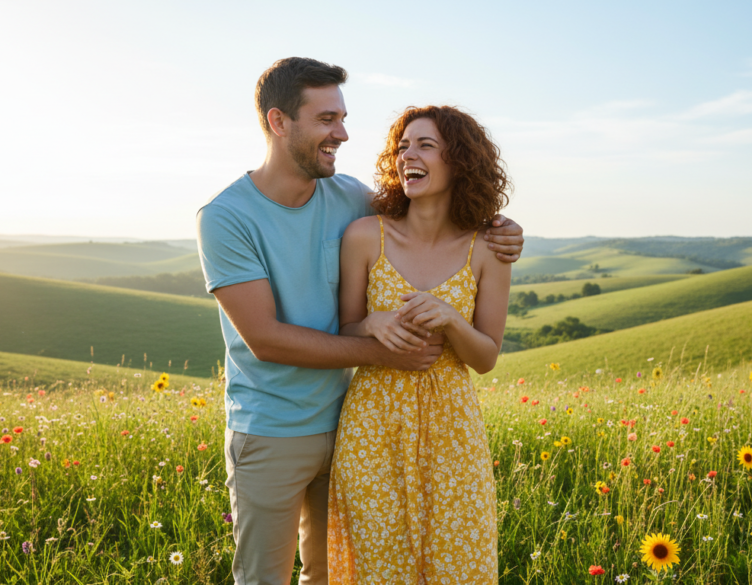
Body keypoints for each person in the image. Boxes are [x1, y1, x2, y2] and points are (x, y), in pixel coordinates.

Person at [195, 58, 524, 585]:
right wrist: (379, 345)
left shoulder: (349, 197)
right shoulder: (226, 217)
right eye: (327, 119)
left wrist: (501, 227)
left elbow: (429, 211)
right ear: (280, 122)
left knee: (336, 575)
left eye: (343, 118)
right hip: (273, 430)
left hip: (349, 421)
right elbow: (266, 339)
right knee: (265, 578)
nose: (343, 134)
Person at [327, 105, 511, 583]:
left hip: (453, 431)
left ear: (460, 161)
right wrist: (372, 325)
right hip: (372, 428)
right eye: (403, 146)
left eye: (425, 145)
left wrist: (452, 321)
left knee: (459, 564)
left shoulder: (488, 249)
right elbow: (345, 330)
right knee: (378, 567)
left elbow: (486, 357)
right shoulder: (366, 237)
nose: (409, 154)